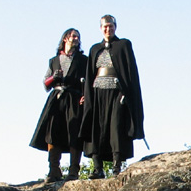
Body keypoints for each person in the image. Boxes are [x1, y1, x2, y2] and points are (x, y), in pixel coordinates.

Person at [79, 15, 144, 178]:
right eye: (105, 27)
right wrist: (87, 95)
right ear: (101, 28)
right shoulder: (95, 49)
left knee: (116, 127)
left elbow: (130, 72)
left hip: (117, 92)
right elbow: (90, 74)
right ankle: (97, 168)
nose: (108, 29)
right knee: (97, 128)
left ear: (115, 27)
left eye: (111, 26)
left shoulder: (123, 45)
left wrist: (127, 94)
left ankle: (116, 167)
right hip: (97, 93)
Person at [29, 28, 86, 182]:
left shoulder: (83, 60)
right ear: (65, 38)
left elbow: (88, 81)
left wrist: (85, 96)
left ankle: (73, 171)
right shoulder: (54, 61)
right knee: (53, 132)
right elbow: (45, 84)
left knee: (75, 132)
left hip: (74, 98)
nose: (76, 39)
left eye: (78, 37)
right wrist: (53, 78)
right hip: (56, 98)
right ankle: (54, 171)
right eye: (73, 36)